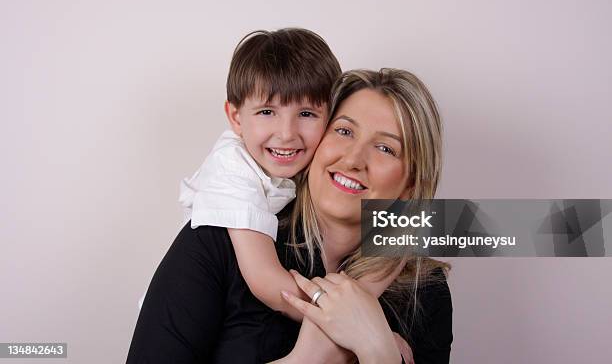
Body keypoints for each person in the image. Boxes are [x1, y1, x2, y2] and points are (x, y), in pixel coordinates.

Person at [127, 68, 452, 363]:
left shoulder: (426, 291)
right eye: (343, 131)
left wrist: (377, 350)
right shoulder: (220, 238)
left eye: (385, 149)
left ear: (412, 184)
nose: (354, 159)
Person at [178, 27, 341, 319]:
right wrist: (352, 326)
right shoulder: (231, 168)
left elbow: (419, 231)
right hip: (189, 312)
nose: (287, 134)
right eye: (267, 112)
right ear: (235, 118)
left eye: (306, 114)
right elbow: (267, 282)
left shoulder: (315, 168)